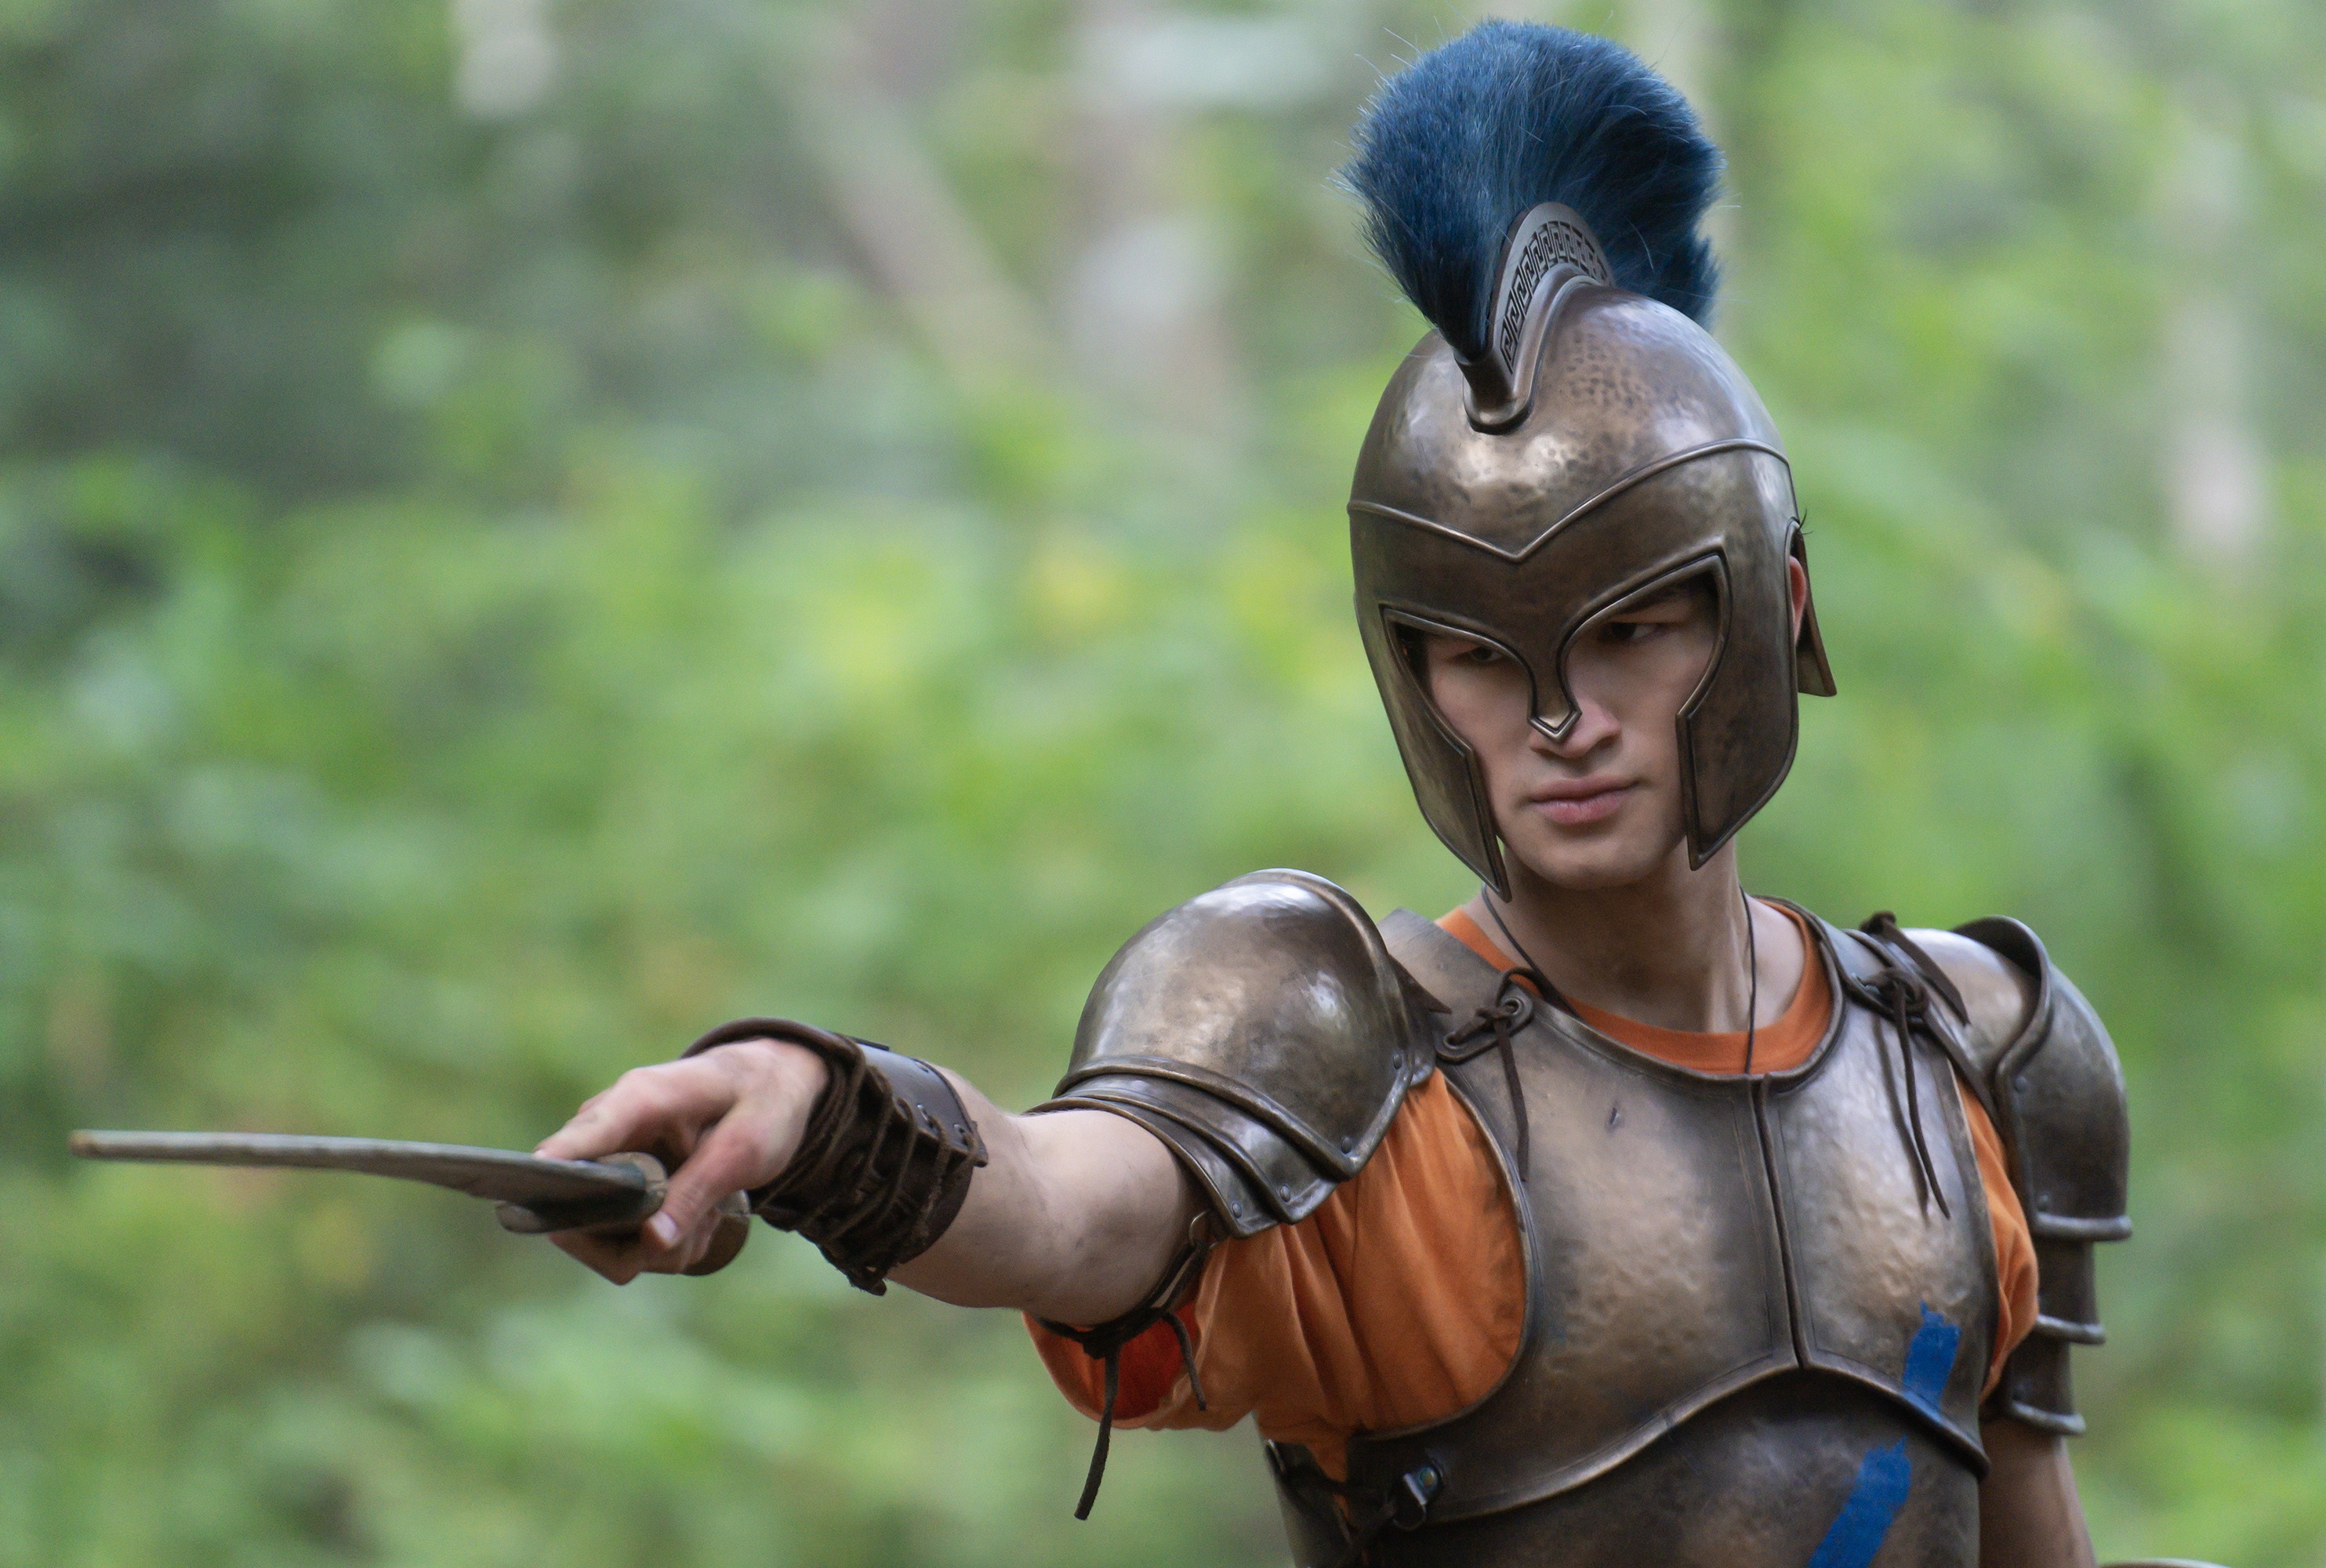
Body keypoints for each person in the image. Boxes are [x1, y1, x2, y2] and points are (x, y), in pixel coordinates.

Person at [535, 24, 2143, 1567]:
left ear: (1774, 615)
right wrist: (822, 1115)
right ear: (1409, 670)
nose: (1562, 722)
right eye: (1481, 658)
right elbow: (1069, 1203)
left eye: (1633, 632)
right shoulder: (1352, 1065)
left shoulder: (1977, 1062)